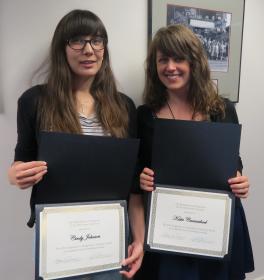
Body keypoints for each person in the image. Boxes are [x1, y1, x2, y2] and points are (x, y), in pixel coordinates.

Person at [7, 9, 144, 280]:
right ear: (62, 47)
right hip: (58, 235)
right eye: (78, 41)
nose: (89, 50)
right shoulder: (35, 101)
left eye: (97, 40)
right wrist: (15, 175)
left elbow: (132, 186)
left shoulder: (124, 106)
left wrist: (139, 239)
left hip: (110, 232)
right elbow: (21, 159)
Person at [135, 24, 254, 280]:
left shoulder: (221, 109)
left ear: (194, 63)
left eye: (178, 58)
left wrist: (239, 178)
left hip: (215, 222)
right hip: (169, 225)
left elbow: (234, 160)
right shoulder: (144, 115)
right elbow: (138, 169)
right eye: (162, 60)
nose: (170, 67)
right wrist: (142, 178)